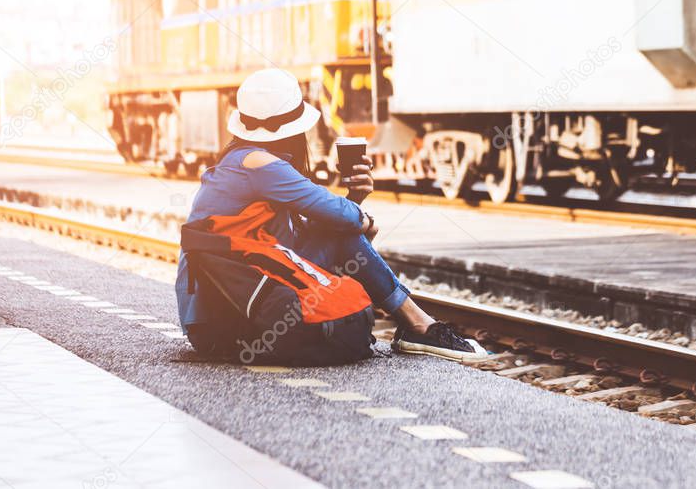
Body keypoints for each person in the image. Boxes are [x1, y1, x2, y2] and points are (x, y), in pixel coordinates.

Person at [175, 68, 484, 362]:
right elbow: (345, 219)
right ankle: (419, 326)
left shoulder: (241, 161)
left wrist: (355, 200)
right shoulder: (259, 163)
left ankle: (417, 325)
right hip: (229, 315)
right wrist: (361, 218)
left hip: (213, 316)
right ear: (293, 129)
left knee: (343, 234)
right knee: (345, 234)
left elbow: (294, 242)